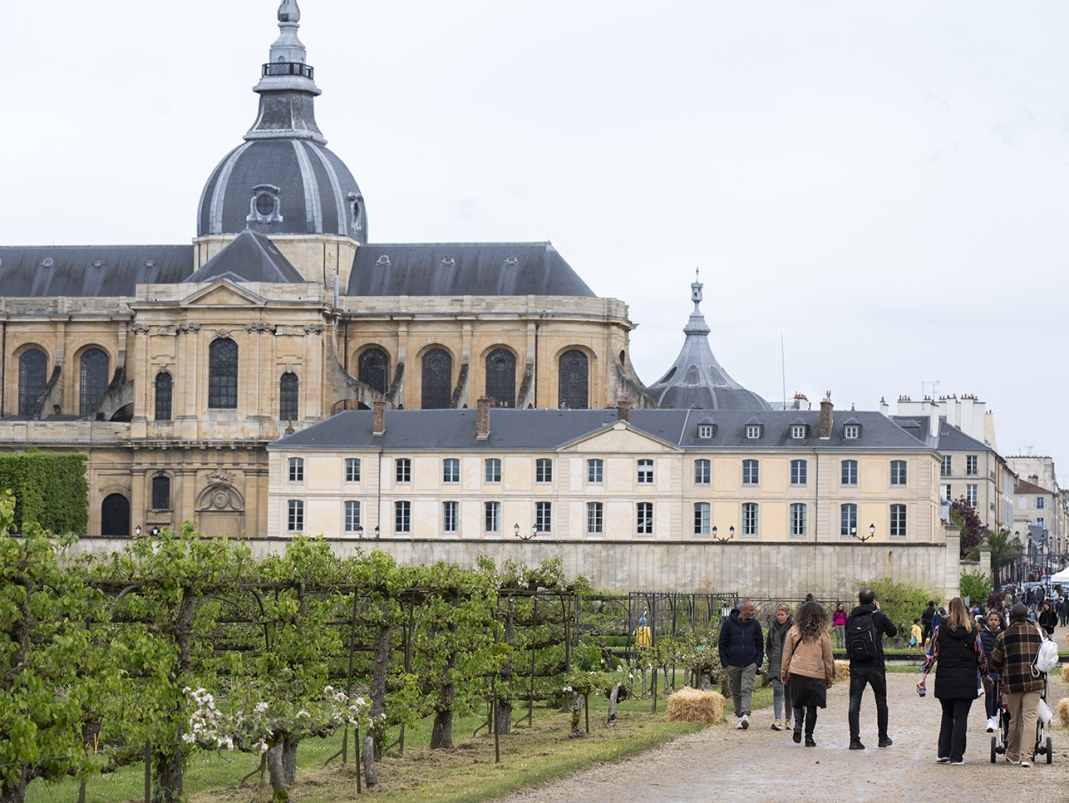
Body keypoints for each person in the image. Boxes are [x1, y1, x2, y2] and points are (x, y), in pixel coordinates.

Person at [916, 597, 988, 765]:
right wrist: (985, 675)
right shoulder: (973, 632)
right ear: (966, 611)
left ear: (948, 611)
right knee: (961, 718)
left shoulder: (939, 630)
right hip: (966, 679)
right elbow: (981, 657)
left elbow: (931, 655)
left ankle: (943, 752)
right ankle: (957, 756)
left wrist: (923, 677)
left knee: (947, 715)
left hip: (945, 678)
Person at [990, 603, 1045, 768]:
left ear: (1011, 617)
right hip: (1034, 680)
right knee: (1030, 718)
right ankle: (1027, 757)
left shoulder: (1003, 636)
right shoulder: (1039, 632)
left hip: (1013, 682)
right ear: (1028, 615)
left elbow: (995, 662)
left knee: (1015, 718)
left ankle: (1013, 753)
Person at [846, 588, 897, 750]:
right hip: (875, 664)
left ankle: (854, 740)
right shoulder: (878, 617)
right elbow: (892, 632)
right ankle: (882, 738)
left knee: (854, 703)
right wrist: (878, 612)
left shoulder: (851, 618)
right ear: (874, 601)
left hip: (857, 666)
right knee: (881, 701)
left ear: (859, 601)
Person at [780, 601, 835, 747]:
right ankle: (809, 737)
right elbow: (828, 658)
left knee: (797, 702)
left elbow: (786, 654)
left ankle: (798, 723)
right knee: (812, 706)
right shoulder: (823, 634)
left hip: (797, 671)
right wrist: (829, 677)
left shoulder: (793, 630)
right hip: (816, 673)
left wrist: (784, 672)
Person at [718, 598, 763, 730]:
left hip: (750, 662)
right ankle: (739, 716)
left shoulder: (755, 625)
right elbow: (722, 644)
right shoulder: (728, 624)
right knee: (736, 691)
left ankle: (745, 715)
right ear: (743, 610)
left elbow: (760, 644)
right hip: (732, 663)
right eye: (751, 609)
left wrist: (757, 661)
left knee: (746, 688)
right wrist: (725, 662)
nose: (753, 612)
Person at [765, 602, 794, 731]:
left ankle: (788, 719)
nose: (780, 617)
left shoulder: (794, 628)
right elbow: (768, 647)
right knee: (777, 691)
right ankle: (777, 719)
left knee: (789, 693)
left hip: (791, 664)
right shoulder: (773, 629)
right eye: (778, 615)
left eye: (782, 615)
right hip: (776, 663)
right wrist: (771, 657)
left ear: (788, 615)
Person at [979, 611, 1005, 733]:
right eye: (991, 620)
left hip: (1000, 670)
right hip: (987, 670)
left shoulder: (1003, 635)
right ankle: (990, 719)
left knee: (998, 696)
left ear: (999, 622)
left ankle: (995, 716)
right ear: (988, 621)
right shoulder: (982, 635)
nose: (993, 622)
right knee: (989, 695)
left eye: (996, 620)